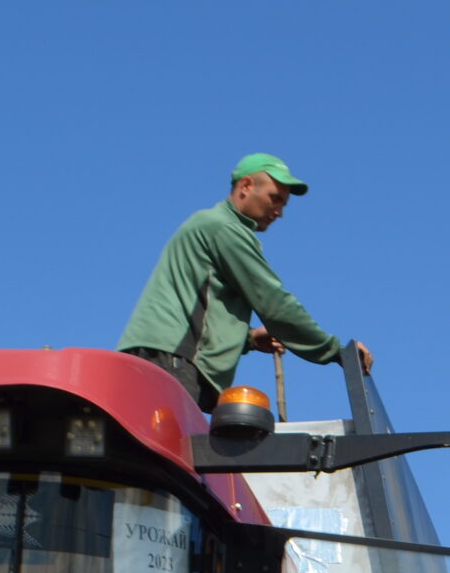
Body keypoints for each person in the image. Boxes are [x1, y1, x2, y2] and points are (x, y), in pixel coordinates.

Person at [117, 153, 374, 411]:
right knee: (166, 447)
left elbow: (200, 309)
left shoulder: (211, 225)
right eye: (275, 198)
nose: (279, 212)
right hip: (170, 360)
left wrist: (249, 340)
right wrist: (337, 352)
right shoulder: (223, 228)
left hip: (160, 358)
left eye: (284, 204)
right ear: (247, 186)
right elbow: (274, 303)